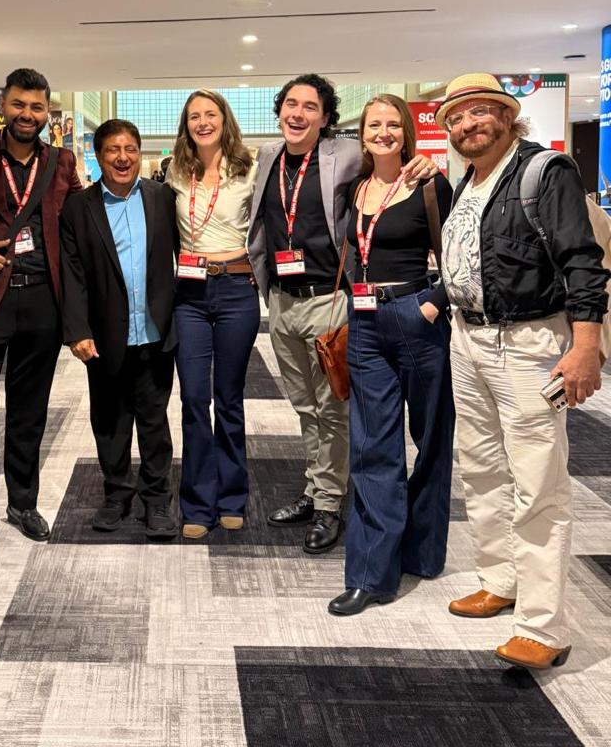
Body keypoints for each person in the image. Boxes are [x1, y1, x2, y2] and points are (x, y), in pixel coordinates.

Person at [437, 73, 609, 670]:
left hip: (530, 341)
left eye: (480, 112)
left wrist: (585, 345)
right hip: (468, 337)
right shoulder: (469, 181)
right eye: (457, 117)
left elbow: (583, 261)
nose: (468, 124)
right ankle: (500, 579)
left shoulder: (544, 172)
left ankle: (543, 625)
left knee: (538, 482)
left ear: (507, 117)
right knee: (481, 467)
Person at [248, 74, 435, 553]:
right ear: (279, 110)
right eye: (290, 104)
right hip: (282, 302)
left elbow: (390, 160)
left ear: (326, 117)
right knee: (304, 406)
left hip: (329, 299)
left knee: (332, 407)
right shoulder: (268, 156)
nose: (298, 114)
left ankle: (329, 505)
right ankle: (317, 489)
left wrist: (423, 163)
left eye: (310, 107)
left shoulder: (346, 153)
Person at [0, 67, 83, 560]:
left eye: (37, 107)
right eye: (19, 104)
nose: (28, 114)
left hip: (43, 300)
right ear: (3, 106)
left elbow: (76, 223)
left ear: (48, 112)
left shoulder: (61, 161)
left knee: (29, 411)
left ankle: (23, 504)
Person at [326, 95, 454, 616]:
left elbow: (461, 255)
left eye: (392, 124)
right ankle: (370, 574)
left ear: (406, 132)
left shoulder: (430, 185)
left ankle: (421, 552)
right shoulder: (354, 189)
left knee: (430, 438)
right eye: (373, 125)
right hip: (364, 323)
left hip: (416, 317)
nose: (383, 132)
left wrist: (432, 304)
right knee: (372, 447)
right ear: (362, 134)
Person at [60, 119, 178, 539]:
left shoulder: (163, 198)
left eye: (130, 149)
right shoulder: (78, 207)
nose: (123, 157)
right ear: (98, 155)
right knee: (110, 421)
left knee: (154, 420)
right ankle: (117, 495)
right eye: (113, 149)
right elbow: (72, 273)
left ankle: (157, 500)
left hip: (155, 332)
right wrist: (77, 330)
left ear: (140, 153)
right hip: (104, 335)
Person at [166, 90, 259, 539]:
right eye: (194, 117)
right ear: (185, 125)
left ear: (225, 119)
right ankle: (198, 503)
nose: (202, 122)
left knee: (229, 398)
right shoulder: (175, 170)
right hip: (189, 294)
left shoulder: (249, 168)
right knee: (192, 398)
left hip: (237, 289)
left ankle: (232, 497)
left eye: (210, 114)